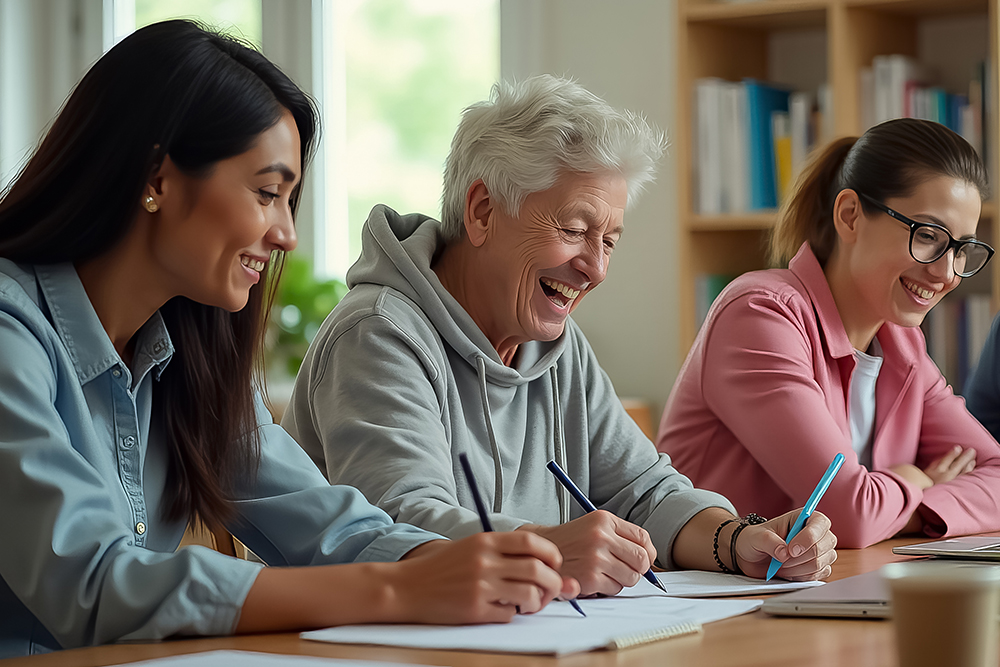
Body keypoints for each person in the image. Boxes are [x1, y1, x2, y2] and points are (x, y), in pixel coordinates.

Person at [0, 21, 579, 659]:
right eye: (267, 193)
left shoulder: (189, 348)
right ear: (158, 177)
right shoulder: (10, 333)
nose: (286, 235)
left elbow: (323, 521)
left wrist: (464, 567)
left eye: (290, 200)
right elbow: (92, 586)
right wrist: (395, 590)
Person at [281, 74, 837, 597]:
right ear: (482, 211)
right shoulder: (377, 333)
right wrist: (548, 547)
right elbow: (399, 526)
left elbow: (645, 491)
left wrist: (737, 541)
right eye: (573, 230)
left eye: (610, 241)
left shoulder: (556, 346)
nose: (595, 268)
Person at [657, 118, 1000, 549]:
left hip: (833, 588)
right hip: (716, 599)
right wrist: (913, 478)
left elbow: (996, 474)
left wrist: (896, 499)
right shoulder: (760, 314)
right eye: (928, 235)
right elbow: (846, 514)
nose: (946, 272)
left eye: (961, 249)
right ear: (850, 215)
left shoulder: (901, 346)